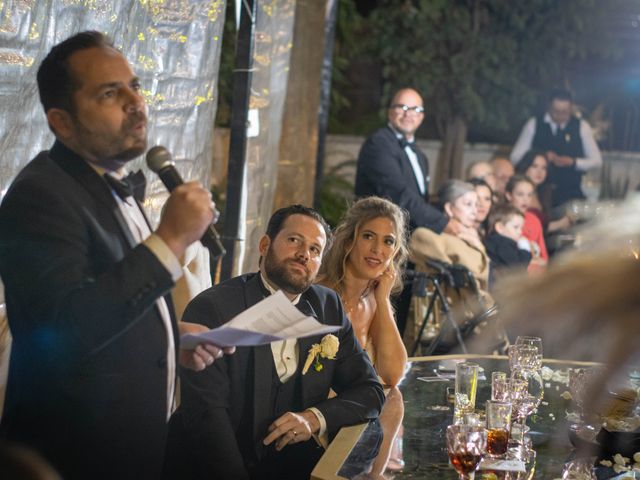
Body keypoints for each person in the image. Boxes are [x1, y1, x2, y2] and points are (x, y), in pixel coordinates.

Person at [0, 31, 229, 479]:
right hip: (72, 457)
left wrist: (165, 335)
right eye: (110, 93)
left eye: (135, 86)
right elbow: (62, 333)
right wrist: (171, 239)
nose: (135, 102)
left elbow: (107, 294)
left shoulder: (105, 183)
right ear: (61, 123)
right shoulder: (40, 197)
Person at [165, 205, 385, 480]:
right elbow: (208, 418)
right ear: (265, 244)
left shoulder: (328, 306)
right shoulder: (214, 308)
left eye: (315, 250)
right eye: (294, 241)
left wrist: (314, 417)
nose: (304, 254)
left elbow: (370, 390)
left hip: (289, 467)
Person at [317, 197, 408, 478]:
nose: (377, 250)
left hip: (356, 415)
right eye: (368, 236)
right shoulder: (321, 295)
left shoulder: (374, 301)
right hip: (316, 411)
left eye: (388, 241)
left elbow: (393, 375)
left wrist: (382, 299)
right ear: (348, 242)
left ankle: (374, 476)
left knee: (393, 398)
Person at [355, 87, 461, 235]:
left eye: (415, 109)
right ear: (390, 112)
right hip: (379, 234)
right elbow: (398, 194)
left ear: (422, 116)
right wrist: (442, 223)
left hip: (408, 237)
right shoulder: (379, 144)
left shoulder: (419, 155)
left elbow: (420, 200)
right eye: (402, 107)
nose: (408, 114)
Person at [510, 88, 603, 207]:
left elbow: (597, 161)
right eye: (556, 111)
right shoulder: (534, 124)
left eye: (564, 112)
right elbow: (515, 157)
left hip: (570, 191)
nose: (559, 115)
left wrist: (573, 162)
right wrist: (540, 157)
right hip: (539, 192)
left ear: (571, 109)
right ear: (549, 107)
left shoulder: (581, 126)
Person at [515, 150, 572, 235]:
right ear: (525, 167)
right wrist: (560, 224)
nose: (539, 172)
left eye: (544, 168)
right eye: (534, 166)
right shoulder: (516, 190)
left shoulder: (543, 192)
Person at [504, 174, 548, 272]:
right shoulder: (501, 219)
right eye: (520, 194)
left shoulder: (534, 220)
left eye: (529, 195)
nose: (525, 199)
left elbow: (543, 258)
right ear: (509, 195)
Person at [484, 204, 532, 275]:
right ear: (500, 227)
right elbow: (518, 268)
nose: (520, 232)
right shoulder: (503, 244)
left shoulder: (493, 241)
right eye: (516, 227)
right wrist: (525, 250)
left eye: (521, 228)